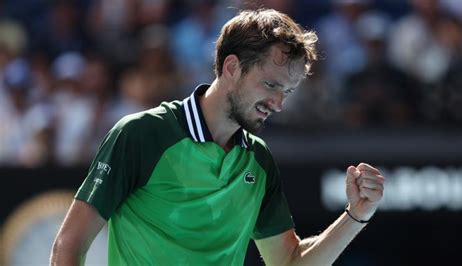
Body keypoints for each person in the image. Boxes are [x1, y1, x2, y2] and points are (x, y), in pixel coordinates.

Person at [50, 8, 385, 265]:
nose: (279, 104)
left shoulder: (259, 160)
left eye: (288, 91)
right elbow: (69, 246)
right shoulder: (141, 134)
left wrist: (357, 215)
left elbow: (288, 261)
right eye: (271, 85)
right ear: (231, 68)